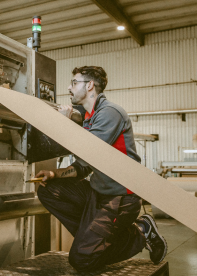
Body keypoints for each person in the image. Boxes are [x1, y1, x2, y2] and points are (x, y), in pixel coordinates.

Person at [36, 66, 167, 271]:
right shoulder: (90, 117)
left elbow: (89, 151)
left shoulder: (110, 113)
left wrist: (62, 124)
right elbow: (85, 165)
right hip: (99, 193)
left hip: (120, 198)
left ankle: (141, 232)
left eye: (74, 83)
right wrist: (55, 174)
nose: (68, 87)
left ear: (89, 86)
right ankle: (91, 238)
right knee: (49, 190)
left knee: (81, 260)